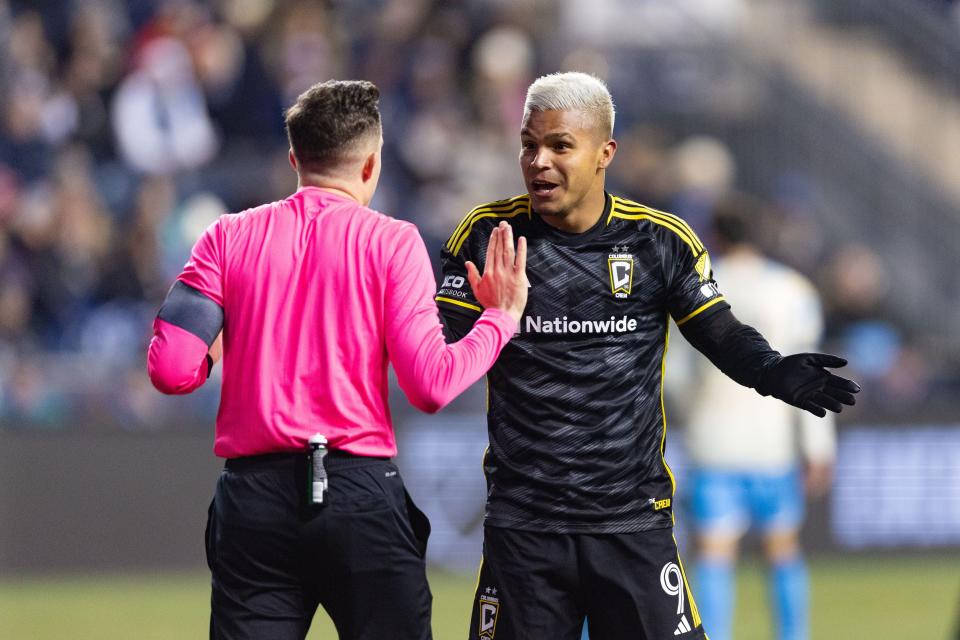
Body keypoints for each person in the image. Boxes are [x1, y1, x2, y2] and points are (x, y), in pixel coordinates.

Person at [434, 71, 859, 640]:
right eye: (529, 145)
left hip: (631, 524)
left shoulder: (659, 240)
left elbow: (720, 332)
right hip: (524, 530)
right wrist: (485, 319)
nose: (539, 161)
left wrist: (771, 370)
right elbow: (433, 352)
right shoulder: (489, 236)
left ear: (605, 152)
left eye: (560, 145)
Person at [146, 79, 528, 640]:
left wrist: (214, 354)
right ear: (371, 164)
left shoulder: (225, 238)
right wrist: (499, 319)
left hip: (255, 502)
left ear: (295, 158)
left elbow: (171, 368)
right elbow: (431, 385)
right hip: (359, 494)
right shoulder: (393, 243)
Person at [681, 200, 835, 640]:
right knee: (783, 549)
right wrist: (818, 447)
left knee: (713, 553)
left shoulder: (697, 284)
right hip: (773, 441)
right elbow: (812, 374)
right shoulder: (793, 289)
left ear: (715, 235)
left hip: (715, 440)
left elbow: (676, 376)